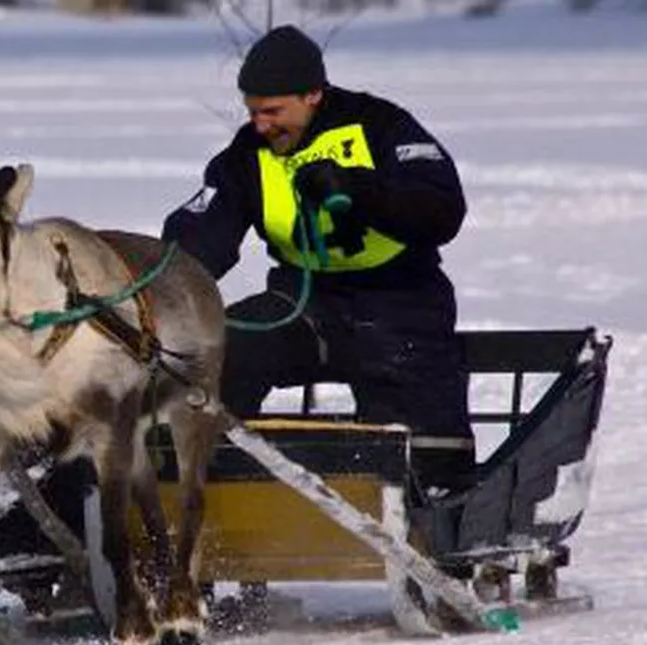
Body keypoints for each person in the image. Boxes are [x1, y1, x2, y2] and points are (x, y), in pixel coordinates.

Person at [161, 25, 478, 498]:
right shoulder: (245, 155)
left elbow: (442, 209)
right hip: (301, 303)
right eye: (252, 112)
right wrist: (163, 276)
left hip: (400, 302)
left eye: (273, 111)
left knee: (418, 433)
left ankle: (427, 505)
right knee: (220, 350)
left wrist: (359, 191)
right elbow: (202, 239)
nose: (261, 125)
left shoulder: (383, 126)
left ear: (313, 94)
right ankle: (206, 488)